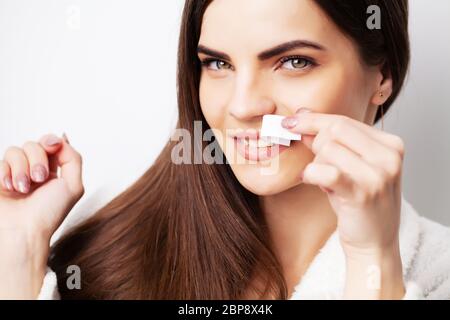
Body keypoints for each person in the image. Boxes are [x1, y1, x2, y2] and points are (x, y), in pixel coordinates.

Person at [1, 0, 449, 300]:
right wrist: (18, 254)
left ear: (382, 76)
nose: (243, 106)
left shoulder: (438, 269)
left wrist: (373, 260)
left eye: (294, 62)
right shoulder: (110, 237)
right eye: (218, 64)